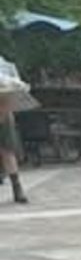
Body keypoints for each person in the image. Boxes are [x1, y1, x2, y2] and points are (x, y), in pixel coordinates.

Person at [0, 61, 29, 205]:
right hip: (4, 112)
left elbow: (16, 86)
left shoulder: (4, 65)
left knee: (7, 151)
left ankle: (17, 188)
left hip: (3, 114)